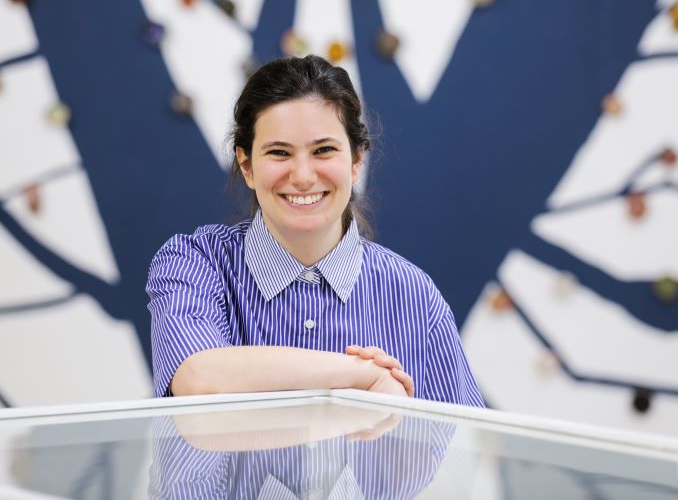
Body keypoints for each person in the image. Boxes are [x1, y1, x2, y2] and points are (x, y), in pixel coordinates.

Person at [146, 55, 484, 407]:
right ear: (247, 166)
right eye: (279, 153)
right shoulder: (193, 263)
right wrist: (363, 374)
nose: (304, 176)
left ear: (356, 161)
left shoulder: (417, 298)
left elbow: (459, 452)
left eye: (324, 150)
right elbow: (199, 380)